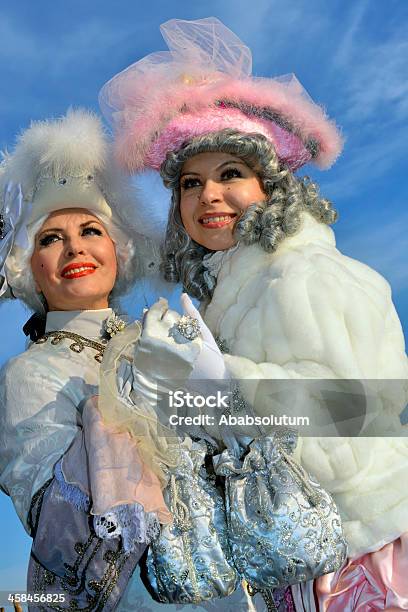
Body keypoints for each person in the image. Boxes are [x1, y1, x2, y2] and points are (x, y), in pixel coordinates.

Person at [100, 17, 408, 611]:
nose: (208, 195)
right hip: (307, 560)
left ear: (273, 187)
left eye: (231, 174)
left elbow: (358, 431)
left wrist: (217, 386)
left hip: (362, 563)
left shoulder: (304, 275)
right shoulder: (234, 290)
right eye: (190, 183)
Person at [0, 108, 221, 611]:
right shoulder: (28, 375)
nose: (74, 247)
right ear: (30, 268)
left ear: (118, 250)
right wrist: (119, 408)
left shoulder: (172, 337)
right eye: (49, 239)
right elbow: (63, 536)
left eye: (90, 230)